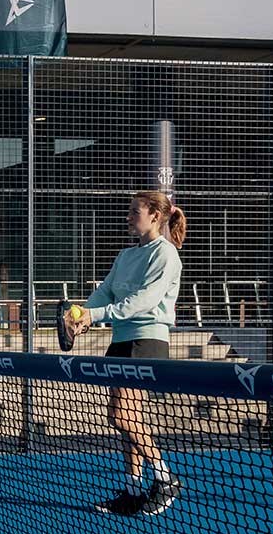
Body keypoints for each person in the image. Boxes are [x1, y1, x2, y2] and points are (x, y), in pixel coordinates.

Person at [64, 191, 186, 516]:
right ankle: (133, 490)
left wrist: (96, 316)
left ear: (155, 217)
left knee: (121, 416)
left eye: (135, 211)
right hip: (121, 341)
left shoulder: (166, 254)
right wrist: (80, 314)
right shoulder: (125, 255)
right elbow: (105, 291)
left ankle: (165, 478)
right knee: (129, 419)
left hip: (148, 340)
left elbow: (144, 301)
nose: (129, 216)